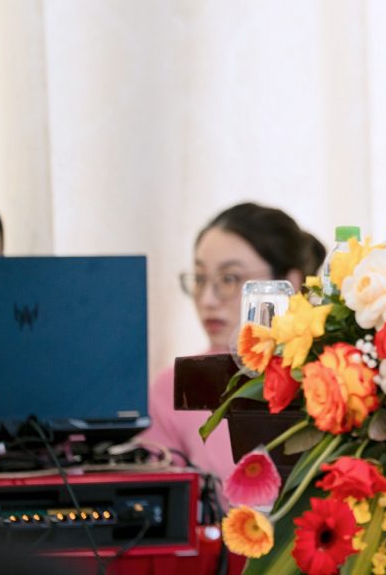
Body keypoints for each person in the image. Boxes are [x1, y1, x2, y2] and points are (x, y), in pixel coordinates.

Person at [139, 202, 325, 481]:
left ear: (291, 282)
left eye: (229, 279)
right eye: (200, 279)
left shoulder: (331, 375)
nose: (207, 300)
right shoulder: (174, 388)